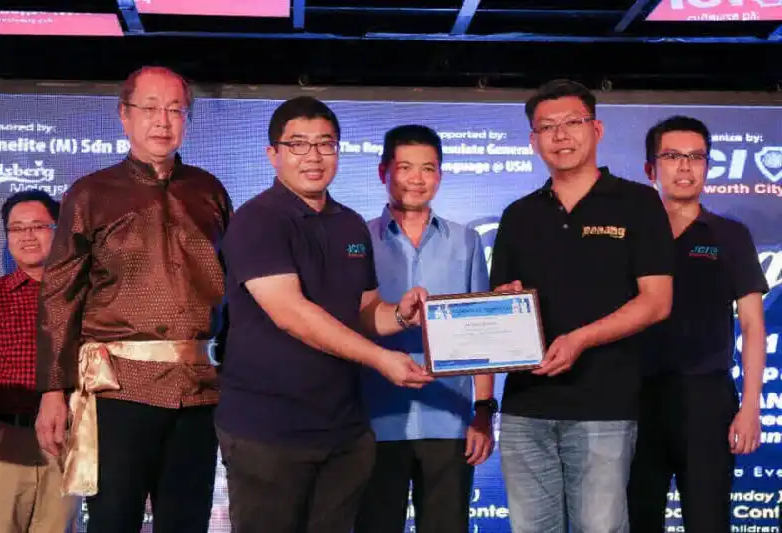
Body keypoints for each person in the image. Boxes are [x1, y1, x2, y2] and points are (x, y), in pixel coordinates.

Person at [216, 96, 434, 533]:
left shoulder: (349, 223)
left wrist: (402, 315)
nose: (313, 156)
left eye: (325, 143)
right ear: (273, 154)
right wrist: (381, 359)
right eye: (298, 144)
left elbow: (364, 311)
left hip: (343, 432)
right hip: (270, 431)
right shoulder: (257, 220)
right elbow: (291, 313)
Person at [33, 66, 232, 533]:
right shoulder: (91, 193)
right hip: (118, 389)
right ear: (124, 115)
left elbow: (233, 290)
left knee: (187, 522)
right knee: (113, 520)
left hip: (199, 390)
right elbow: (60, 294)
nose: (163, 121)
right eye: (150, 108)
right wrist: (52, 391)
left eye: (175, 110)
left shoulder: (209, 191)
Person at [489, 79, 674, 533]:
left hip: (603, 405)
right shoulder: (518, 214)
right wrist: (502, 305)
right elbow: (500, 305)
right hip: (525, 408)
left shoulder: (637, 203)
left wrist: (580, 340)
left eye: (572, 122)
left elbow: (657, 302)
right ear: (533, 141)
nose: (560, 135)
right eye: (547, 127)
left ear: (597, 129)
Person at [627, 116, 768, 533]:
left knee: (709, 521)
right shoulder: (628, 236)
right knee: (635, 520)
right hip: (632, 400)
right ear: (651, 168)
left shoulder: (730, 235)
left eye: (696, 157)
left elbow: (753, 325)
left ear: (707, 166)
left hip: (706, 399)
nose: (685, 167)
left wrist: (750, 407)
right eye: (672, 156)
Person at [354, 125, 495, 533]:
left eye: (428, 168)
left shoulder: (466, 241)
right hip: (374, 420)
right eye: (405, 168)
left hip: (449, 419)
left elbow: (482, 332)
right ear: (383, 172)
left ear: (440, 175)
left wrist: (483, 412)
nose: (417, 179)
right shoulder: (357, 239)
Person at [0, 191, 80, 533]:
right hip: (1, 444)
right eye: (16, 228)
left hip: (66, 443)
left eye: (38, 226)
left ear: (59, 231)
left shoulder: (84, 297)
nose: (27, 236)